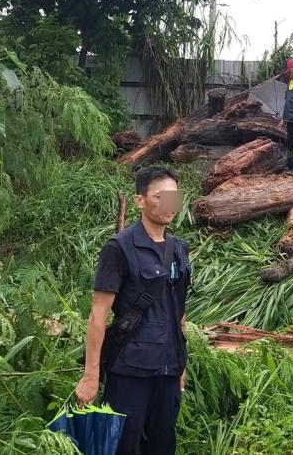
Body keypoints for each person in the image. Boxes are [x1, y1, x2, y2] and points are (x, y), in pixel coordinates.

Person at [74, 167, 192, 455]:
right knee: (123, 446)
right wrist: (90, 376)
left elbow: (179, 312)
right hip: (130, 369)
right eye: (161, 197)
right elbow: (98, 314)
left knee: (163, 446)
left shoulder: (179, 249)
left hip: (168, 368)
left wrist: (181, 365)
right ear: (139, 201)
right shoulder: (120, 248)